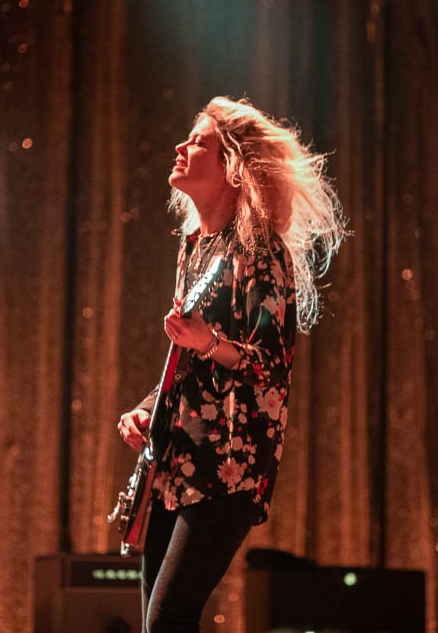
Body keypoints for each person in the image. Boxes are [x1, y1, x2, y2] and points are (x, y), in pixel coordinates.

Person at [116, 96, 346, 632]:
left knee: (169, 618)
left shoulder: (260, 250)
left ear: (231, 166)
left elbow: (272, 367)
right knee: (156, 623)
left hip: (229, 467)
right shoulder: (195, 247)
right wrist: (148, 407)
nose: (180, 146)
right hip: (177, 460)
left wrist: (208, 341)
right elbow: (187, 357)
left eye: (198, 141)